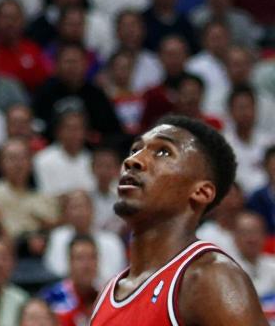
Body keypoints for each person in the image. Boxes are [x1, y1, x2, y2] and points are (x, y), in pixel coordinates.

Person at [90, 115, 266, 324]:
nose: (132, 160)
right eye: (135, 149)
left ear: (201, 192)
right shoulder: (107, 292)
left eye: (163, 152)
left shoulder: (210, 278)